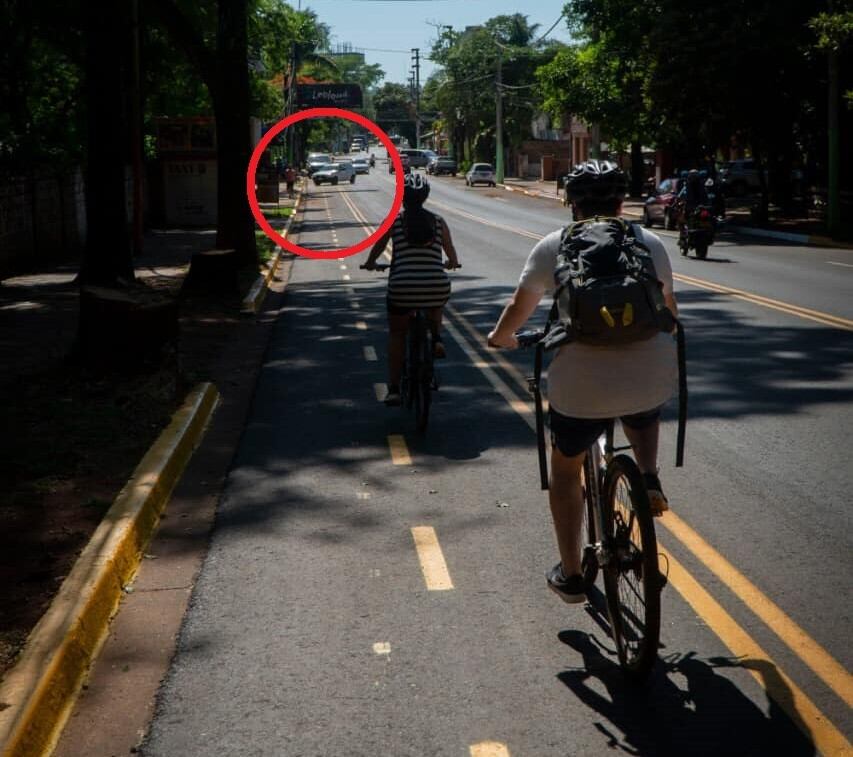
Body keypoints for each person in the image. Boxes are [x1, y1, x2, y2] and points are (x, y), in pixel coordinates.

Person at [487, 160, 678, 604]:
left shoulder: (553, 245)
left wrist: (501, 339)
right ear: (619, 202)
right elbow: (669, 310)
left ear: (571, 204)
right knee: (643, 406)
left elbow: (520, 307)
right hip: (647, 372)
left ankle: (573, 574)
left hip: (581, 385)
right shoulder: (649, 242)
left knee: (566, 468)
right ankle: (648, 476)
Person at [361, 174, 460, 406]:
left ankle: (394, 389)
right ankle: (436, 338)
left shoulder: (395, 222)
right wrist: (451, 263)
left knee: (397, 334)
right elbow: (451, 253)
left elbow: (379, 246)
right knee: (436, 299)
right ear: (425, 197)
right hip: (435, 284)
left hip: (402, 287)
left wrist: (370, 263)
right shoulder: (438, 222)